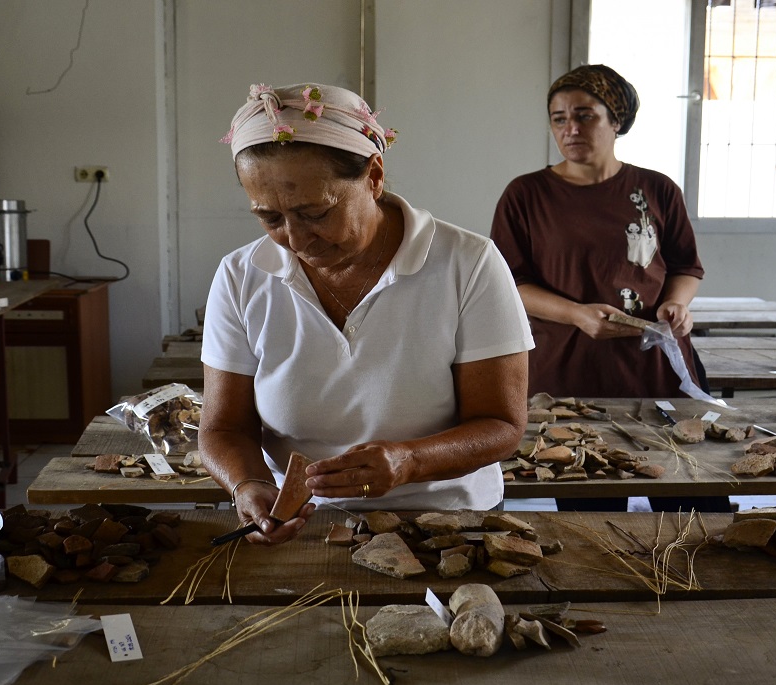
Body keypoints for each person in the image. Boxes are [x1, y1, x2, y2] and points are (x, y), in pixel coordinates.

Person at [202, 82, 534, 544]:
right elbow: (223, 425)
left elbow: (501, 425)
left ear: (374, 176)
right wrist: (248, 483)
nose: (296, 241)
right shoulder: (242, 274)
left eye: (315, 213)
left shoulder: (466, 263)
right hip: (302, 523)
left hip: (444, 519)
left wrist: (409, 461)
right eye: (270, 217)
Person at [490, 64, 730, 514]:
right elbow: (511, 282)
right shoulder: (526, 195)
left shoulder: (657, 189)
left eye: (585, 115)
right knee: (593, 500)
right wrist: (577, 314)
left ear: (616, 120)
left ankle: (701, 584)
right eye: (559, 118)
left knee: (694, 492)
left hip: (653, 363)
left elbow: (684, 266)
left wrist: (677, 303)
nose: (571, 129)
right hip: (569, 365)